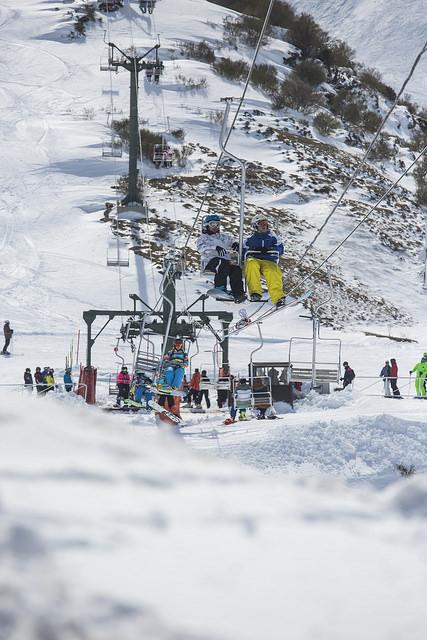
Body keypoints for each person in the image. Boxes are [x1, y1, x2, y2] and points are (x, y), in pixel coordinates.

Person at [196, 214, 246, 303]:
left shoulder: (223, 236)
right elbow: (201, 249)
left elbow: (231, 241)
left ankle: (238, 293)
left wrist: (235, 244)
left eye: (217, 224)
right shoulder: (203, 238)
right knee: (221, 263)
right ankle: (220, 287)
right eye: (213, 224)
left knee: (236, 269)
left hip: (225, 262)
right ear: (207, 225)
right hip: (210, 261)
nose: (215, 227)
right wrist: (214, 248)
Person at [242, 213, 286, 308]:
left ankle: (278, 298)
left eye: (266, 224)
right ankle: (255, 293)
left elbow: (281, 249)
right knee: (251, 264)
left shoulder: (273, 237)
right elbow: (243, 251)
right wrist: (253, 249)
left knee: (272, 271)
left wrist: (271, 249)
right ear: (255, 226)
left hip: (268, 260)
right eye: (261, 224)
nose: (264, 226)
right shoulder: (249, 239)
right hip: (254, 259)